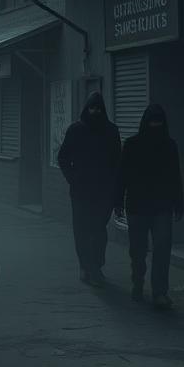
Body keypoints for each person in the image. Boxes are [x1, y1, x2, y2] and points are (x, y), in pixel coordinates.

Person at [114, 102, 184, 310]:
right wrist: (117, 201)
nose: (155, 125)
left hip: (161, 206)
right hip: (137, 206)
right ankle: (138, 281)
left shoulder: (169, 146)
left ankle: (160, 291)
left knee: (162, 249)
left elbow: (175, 177)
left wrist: (178, 202)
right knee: (138, 250)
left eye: (158, 122)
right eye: (152, 122)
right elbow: (122, 176)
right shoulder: (132, 145)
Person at [57, 90, 121, 286]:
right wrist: (73, 178)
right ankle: (87, 267)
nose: (95, 112)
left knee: (99, 230)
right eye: (92, 108)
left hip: (104, 191)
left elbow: (118, 161)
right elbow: (63, 157)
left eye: (98, 109)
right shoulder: (75, 130)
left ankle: (96, 266)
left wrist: (115, 189)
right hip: (81, 191)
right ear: (87, 109)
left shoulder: (111, 131)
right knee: (82, 230)